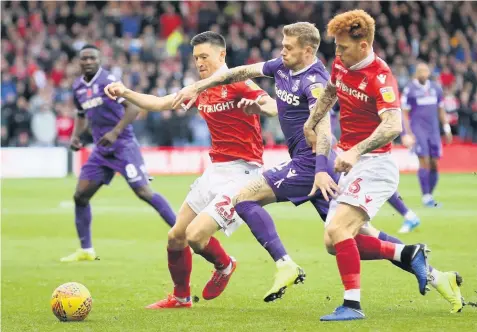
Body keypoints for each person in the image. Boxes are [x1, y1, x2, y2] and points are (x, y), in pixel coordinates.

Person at [172, 22, 463, 315]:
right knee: (349, 238)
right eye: (282, 46)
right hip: (316, 164)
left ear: (307, 50)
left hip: (312, 164)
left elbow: (323, 130)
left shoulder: (314, 81)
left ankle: (284, 264)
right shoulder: (282, 66)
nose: (282, 51)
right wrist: (198, 86)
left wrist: (321, 169)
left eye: (288, 47)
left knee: (245, 198)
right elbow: (241, 72)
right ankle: (436, 275)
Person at [104, 32, 280, 308]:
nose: (199, 62)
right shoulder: (199, 88)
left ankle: (225, 265)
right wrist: (125, 91)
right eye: (196, 57)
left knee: (196, 236)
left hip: (244, 173)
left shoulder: (239, 83)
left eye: (204, 56)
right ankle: (181, 297)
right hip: (215, 170)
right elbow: (161, 103)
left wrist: (259, 105)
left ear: (221, 55)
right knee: (176, 237)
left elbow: (271, 105)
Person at [302, 10, 429, 321]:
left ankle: (353, 305)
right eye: (336, 47)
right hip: (352, 161)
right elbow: (331, 90)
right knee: (333, 242)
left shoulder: (381, 77)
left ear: (363, 45)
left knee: (337, 228)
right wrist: (312, 120)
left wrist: (356, 151)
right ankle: (407, 253)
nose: (338, 53)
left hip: (376, 164)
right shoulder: (342, 64)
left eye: (343, 47)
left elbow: (393, 126)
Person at [61, 45, 176, 262]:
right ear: (79, 62)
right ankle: (86, 250)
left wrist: (115, 132)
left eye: (91, 58)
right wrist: (76, 135)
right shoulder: (77, 86)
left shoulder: (108, 82)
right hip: (101, 150)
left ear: (99, 60)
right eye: (84, 58)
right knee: (80, 196)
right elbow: (81, 114)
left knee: (144, 192)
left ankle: (183, 232)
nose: (87, 61)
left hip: (123, 145)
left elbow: (133, 108)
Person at [401, 63, 452, 212]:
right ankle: (426, 197)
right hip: (419, 131)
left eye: (426, 71)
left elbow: (441, 110)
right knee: (424, 161)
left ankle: (429, 194)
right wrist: (407, 132)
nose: (424, 74)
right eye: (421, 71)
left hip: (434, 131)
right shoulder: (410, 89)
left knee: (435, 163)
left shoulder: (436, 88)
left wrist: (446, 127)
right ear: (416, 73)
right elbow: (404, 113)